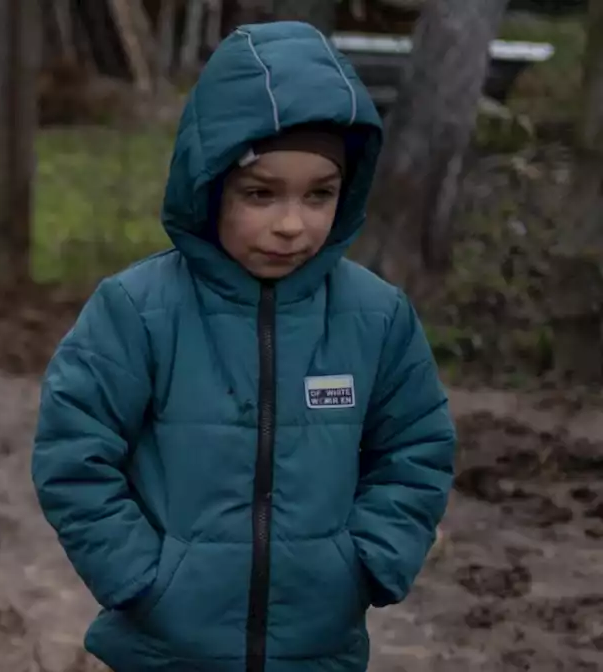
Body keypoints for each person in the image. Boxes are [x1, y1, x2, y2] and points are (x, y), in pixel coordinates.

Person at [30, 21, 456, 672]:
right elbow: (73, 455)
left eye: (320, 195)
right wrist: (142, 580)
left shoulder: (377, 317)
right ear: (209, 186)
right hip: (162, 651)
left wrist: (366, 563)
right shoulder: (137, 311)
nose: (292, 225)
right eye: (261, 194)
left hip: (319, 651)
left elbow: (416, 451)